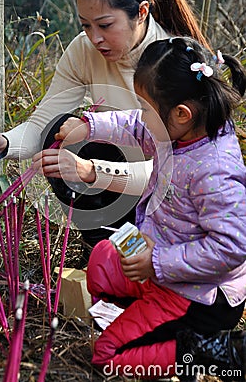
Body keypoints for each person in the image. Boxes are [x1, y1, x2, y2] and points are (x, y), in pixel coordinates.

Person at [0, 0, 211, 261]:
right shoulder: (84, 50)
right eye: (86, 25)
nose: (94, 38)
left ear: (142, 11)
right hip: (116, 181)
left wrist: (91, 171)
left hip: (173, 207)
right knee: (61, 133)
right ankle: (106, 255)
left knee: (93, 157)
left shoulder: (175, 66)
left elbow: (169, 175)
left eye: (105, 25)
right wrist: (3, 142)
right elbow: (45, 121)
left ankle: (141, 263)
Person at [50, 37, 246, 381]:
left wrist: (156, 262)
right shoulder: (176, 128)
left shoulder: (214, 169)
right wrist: (88, 126)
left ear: (182, 114)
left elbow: (233, 246)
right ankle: (149, 323)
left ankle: (213, 352)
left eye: (145, 107)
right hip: (161, 258)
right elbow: (134, 125)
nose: (141, 116)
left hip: (196, 294)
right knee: (100, 260)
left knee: (108, 354)